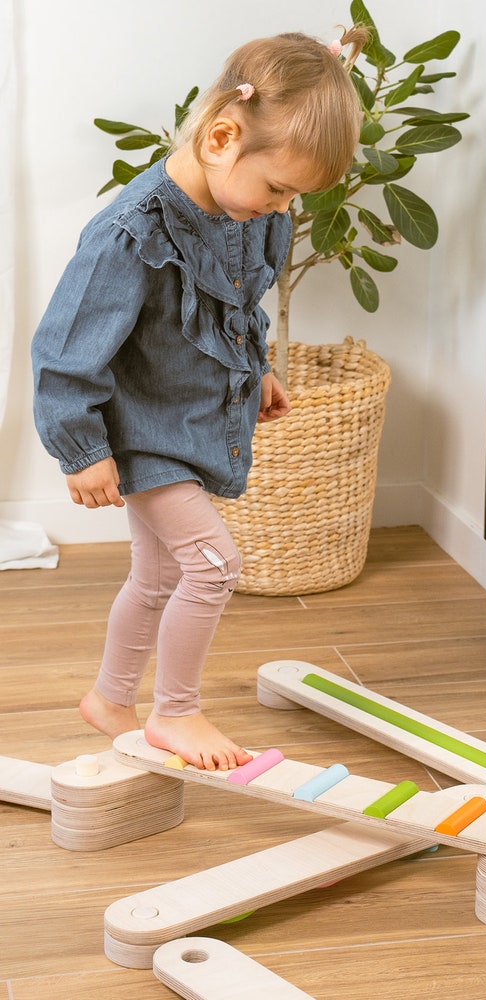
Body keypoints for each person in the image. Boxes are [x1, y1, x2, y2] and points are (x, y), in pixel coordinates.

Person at [31, 26, 368, 770]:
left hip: (185, 425)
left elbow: (238, 308)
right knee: (214, 565)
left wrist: (260, 370)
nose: (282, 209)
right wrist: (80, 449)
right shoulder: (131, 233)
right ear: (222, 136)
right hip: (141, 437)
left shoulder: (245, 216)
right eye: (279, 188)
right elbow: (65, 348)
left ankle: (111, 698)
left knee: (156, 577)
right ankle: (175, 712)